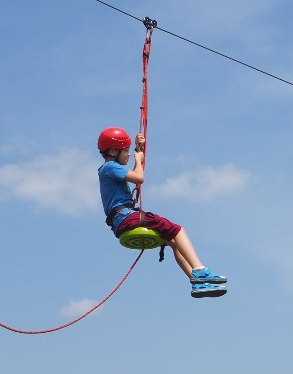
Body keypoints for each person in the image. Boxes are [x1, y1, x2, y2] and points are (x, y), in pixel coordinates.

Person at [97, 128, 227, 298]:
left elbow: (135, 172)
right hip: (127, 217)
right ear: (113, 151)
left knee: (173, 241)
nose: (129, 155)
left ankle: (199, 284)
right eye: (126, 150)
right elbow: (139, 178)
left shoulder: (110, 168)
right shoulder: (110, 167)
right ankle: (200, 270)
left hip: (122, 219)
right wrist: (138, 158)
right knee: (178, 230)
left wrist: (138, 150)